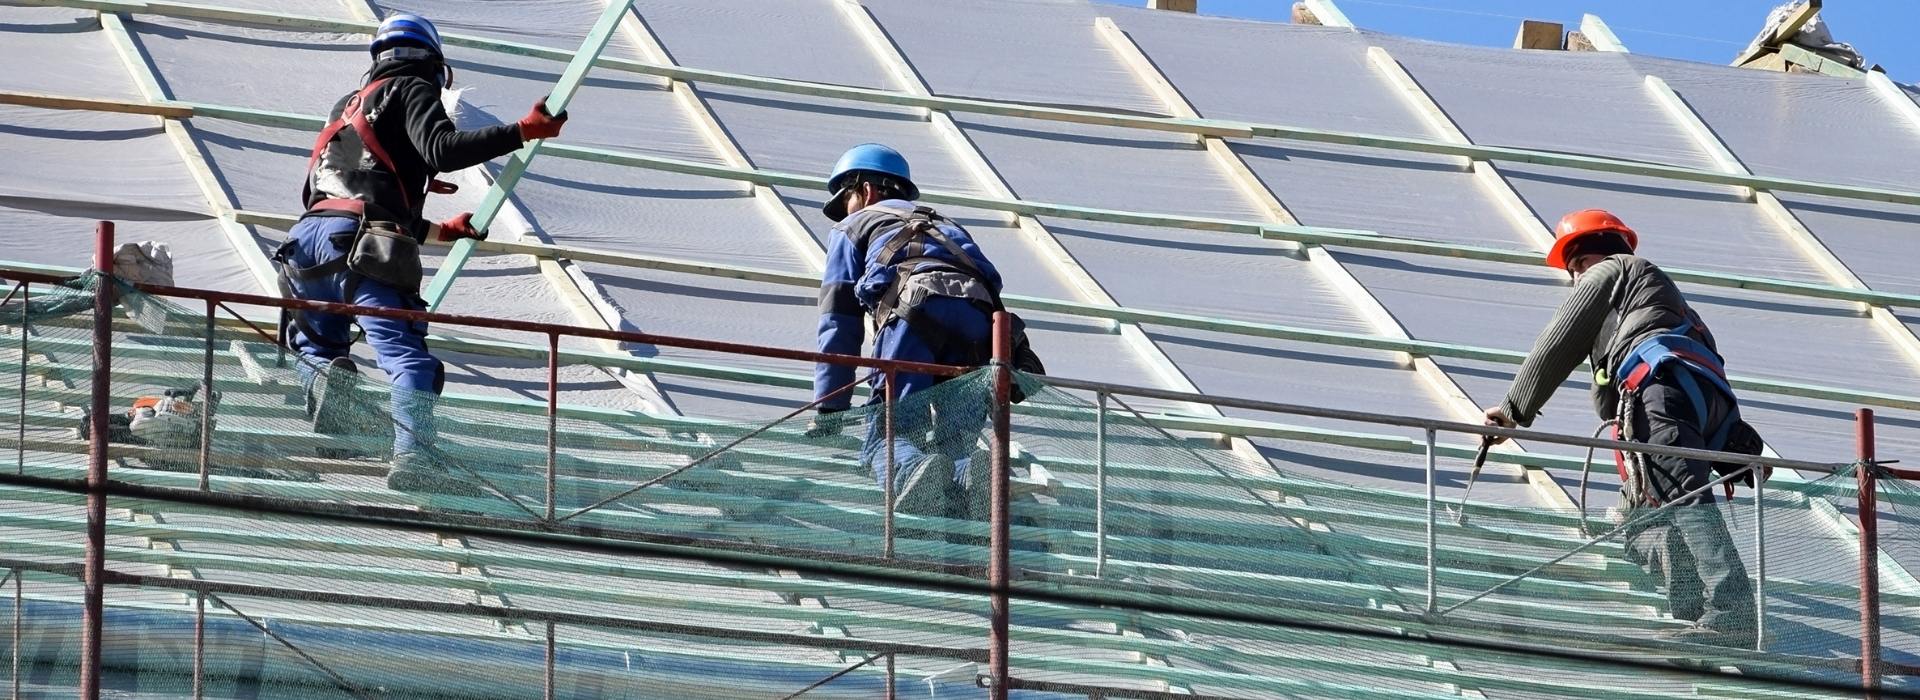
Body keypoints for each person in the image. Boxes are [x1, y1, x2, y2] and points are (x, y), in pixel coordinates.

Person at [274, 13, 568, 495]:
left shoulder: (345, 108)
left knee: (316, 345)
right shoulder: (412, 88)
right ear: (433, 61)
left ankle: (328, 385)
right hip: (366, 244)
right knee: (408, 359)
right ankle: (413, 457)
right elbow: (441, 150)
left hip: (309, 240)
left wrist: (437, 231)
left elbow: (345, 187)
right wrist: (522, 131)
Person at [1482, 209, 1760, 647]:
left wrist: (1514, 409)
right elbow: (1615, 394)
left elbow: (1561, 339)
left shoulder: (1613, 271)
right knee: (1643, 520)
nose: (1574, 283)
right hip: (1693, 399)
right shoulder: (1664, 301)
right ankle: (1703, 612)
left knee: (1684, 497)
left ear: (1583, 258)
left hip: (1660, 392)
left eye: (1574, 271)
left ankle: (1733, 613)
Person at [805, 144, 1002, 521]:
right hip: (979, 322)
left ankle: (909, 472)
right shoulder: (949, 225)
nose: (846, 208)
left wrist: (830, 405)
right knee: (956, 437)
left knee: (890, 430)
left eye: (846, 198)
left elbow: (839, 320)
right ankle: (970, 477)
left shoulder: (854, 225)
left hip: (913, 311)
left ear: (866, 190)